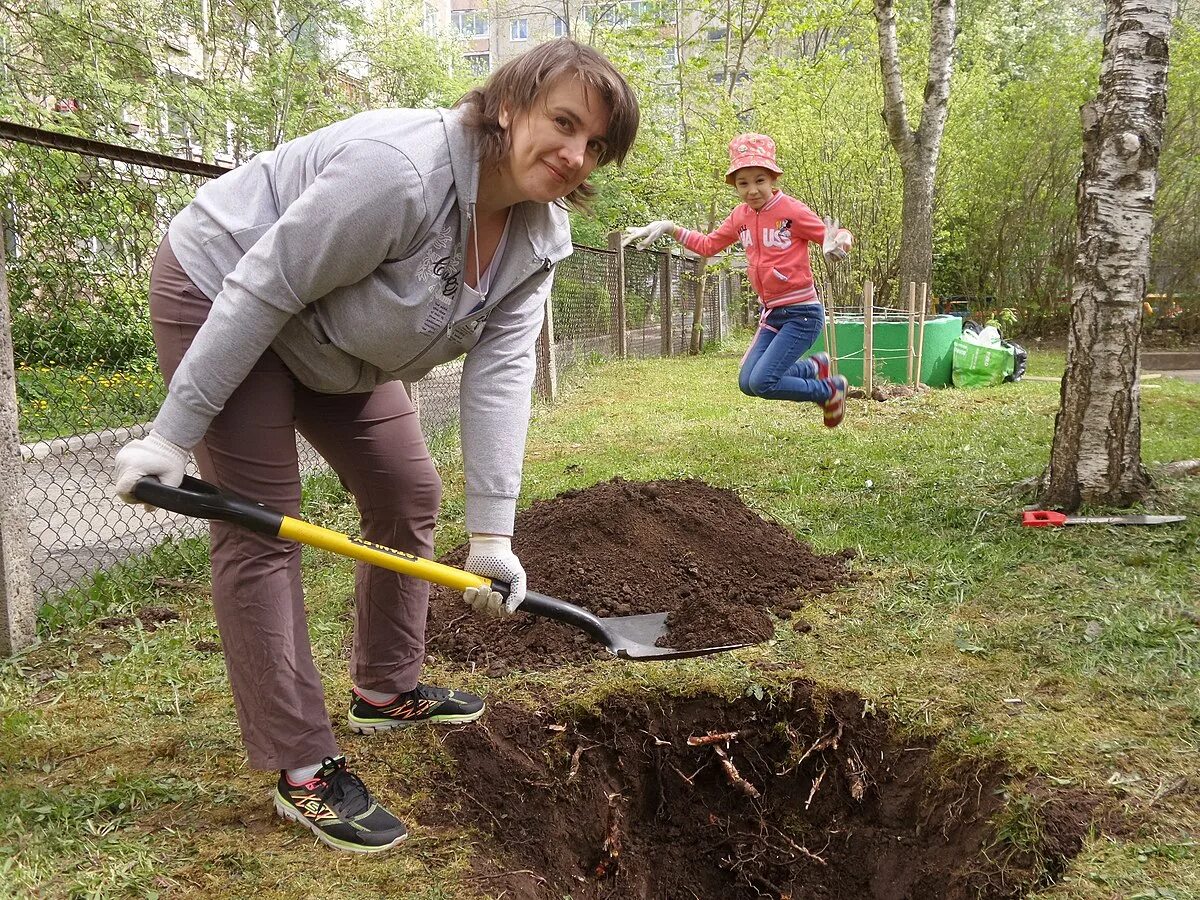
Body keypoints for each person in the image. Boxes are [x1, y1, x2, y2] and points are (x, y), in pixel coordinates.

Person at [111, 39, 639, 854]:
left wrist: (493, 537)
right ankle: (302, 767)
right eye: (562, 123)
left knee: (405, 491)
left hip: (337, 343)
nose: (574, 155)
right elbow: (267, 283)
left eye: (594, 144)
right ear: (507, 106)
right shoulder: (400, 173)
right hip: (226, 286)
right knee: (261, 526)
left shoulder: (538, 238)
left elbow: (500, 377)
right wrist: (171, 437)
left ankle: (387, 688)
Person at [624, 133, 853, 426]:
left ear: (772, 179)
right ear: (735, 185)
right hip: (771, 314)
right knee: (748, 383)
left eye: (759, 180)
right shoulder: (740, 216)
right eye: (743, 183)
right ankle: (813, 368)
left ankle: (828, 390)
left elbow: (835, 234)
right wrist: (671, 228)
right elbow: (708, 245)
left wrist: (840, 242)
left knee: (763, 382)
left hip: (801, 314)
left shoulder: (791, 211)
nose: (752, 189)